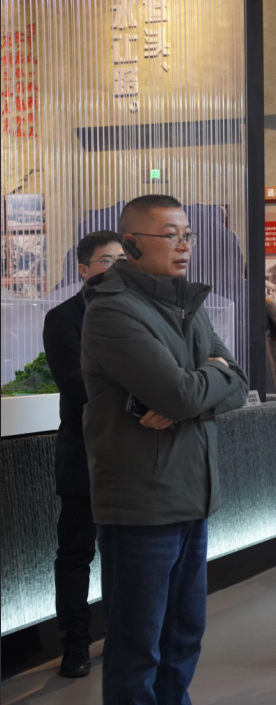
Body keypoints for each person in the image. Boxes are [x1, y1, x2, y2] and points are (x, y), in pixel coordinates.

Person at [81, 195, 248, 704]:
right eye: (170, 235)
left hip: (192, 493)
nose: (184, 246)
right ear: (132, 243)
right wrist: (198, 387)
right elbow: (182, 393)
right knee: (138, 647)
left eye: (188, 235)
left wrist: (192, 395)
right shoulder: (112, 310)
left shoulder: (186, 306)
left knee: (183, 636)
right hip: (141, 502)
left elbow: (238, 385)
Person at [41, 230, 124, 679]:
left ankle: (121, 635)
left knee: (124, 554)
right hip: (84, 456)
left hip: (131, 459)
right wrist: (141, 402)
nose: (115, 268)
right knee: (76, 555)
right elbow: (78, 387)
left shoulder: (135, 313)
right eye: (106, 260)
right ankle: (75, 643)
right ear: (83, 269)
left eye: (122, 260)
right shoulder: (63, 319)